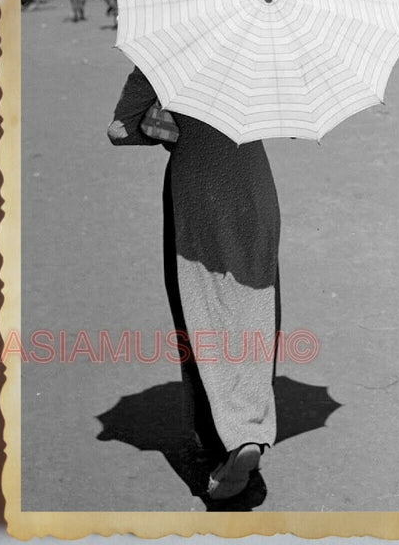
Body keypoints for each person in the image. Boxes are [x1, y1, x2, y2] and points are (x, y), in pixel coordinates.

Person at [107, 66, 281, 501]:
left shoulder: (169, 50)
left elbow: (120, 129)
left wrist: (163, 127)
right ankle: (251, 425)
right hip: (254, 183)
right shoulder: (261, 45)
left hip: (198, 188)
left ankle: (224, 440)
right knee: (255, 307)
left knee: (200, 310)